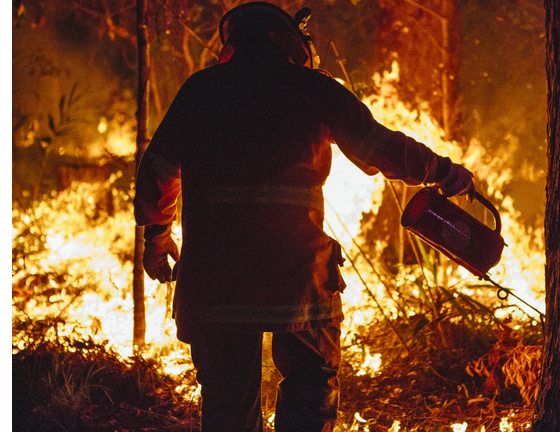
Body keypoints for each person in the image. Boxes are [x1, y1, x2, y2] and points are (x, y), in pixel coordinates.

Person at [133, 3, 476, 431]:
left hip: (214, 281)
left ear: (233, 44)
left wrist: (158, 239)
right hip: (295, 277)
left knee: (227, 405)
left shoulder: (200, 90)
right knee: (310, 385)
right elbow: (380, 148)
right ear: (292, 44)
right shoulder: (314, 88)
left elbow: (159, 171)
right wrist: (444, 172)